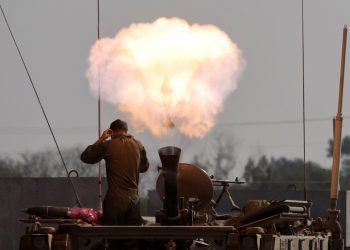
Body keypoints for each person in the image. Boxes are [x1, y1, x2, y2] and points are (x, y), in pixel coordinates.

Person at [80, 119, 149, 249]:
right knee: (132, 241)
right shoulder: (138, 145)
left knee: (114, 240)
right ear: (126, 131)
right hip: (134, 199)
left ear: (111, 132)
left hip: (115, 200)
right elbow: (144, 167)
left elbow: (86, 157)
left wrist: (101, 139)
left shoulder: (109, 145)